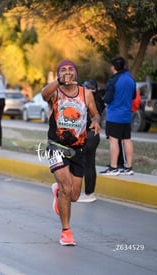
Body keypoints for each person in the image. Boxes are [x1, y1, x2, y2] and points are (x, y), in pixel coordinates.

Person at [41, 60, 101, 246]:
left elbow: (95, 113)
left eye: (70, 69)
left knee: (73, 195)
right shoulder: (55, 92)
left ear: (75, 73)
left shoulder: (86, 93)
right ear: (59, 74)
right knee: (67, 188)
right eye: (63, 70)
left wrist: (96, 121)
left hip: (78, 148)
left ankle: (58, 191)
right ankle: (66, 231)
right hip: (56, 145)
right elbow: (44, 94)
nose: (67, 72)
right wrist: (58, 81)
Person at [100, 56, 136, 176]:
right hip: (126, 116)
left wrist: (102, 99)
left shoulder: (113, 80)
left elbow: (108, 99)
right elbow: (134, 96)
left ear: (113, 67)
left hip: (114, 116)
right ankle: (129, 167)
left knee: (113, 141)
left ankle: (114, 167)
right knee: (127, 140)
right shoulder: (131, 78)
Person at [77, 80, 105, 203]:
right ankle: (89, 192)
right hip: (94, 135)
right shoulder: (99, 99)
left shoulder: (89, 100)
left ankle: (89, 193)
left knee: (86, 164)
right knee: (90, 164)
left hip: (88, 134)